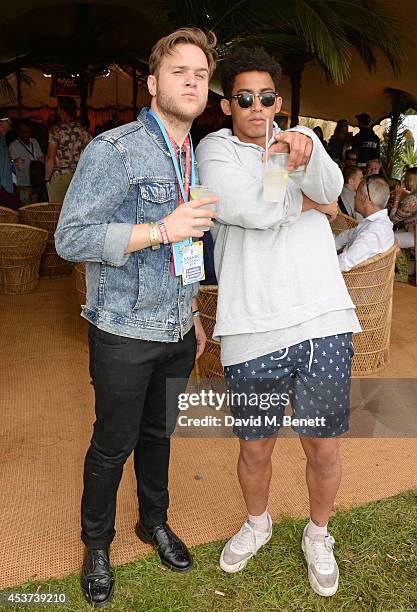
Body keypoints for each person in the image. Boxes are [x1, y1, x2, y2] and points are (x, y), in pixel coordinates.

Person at [55, 27, 218, 608]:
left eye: (200, 73)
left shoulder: (189, 153)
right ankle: (96, 544)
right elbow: (69, 238)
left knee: (159, 435)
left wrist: (193, 314)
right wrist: (159, 230)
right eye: (179, 71)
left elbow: (188, 250)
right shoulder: (114, 149)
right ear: (152, 84)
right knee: (112, 443)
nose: (192, 81)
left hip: (175, 327)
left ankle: (154, 522)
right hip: (123, 329)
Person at [196, 47, 361, 598]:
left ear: (278, 100)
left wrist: (306, 155)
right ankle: (257, 522)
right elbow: (254, 209)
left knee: (323, 446)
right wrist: (300, 197)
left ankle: (319, 533)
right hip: (251, 327)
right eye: (245, 99)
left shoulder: (302, 142)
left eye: (267, 98)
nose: (257, 107)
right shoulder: (213, 150)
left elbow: (333, 191)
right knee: (255, 446)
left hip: (322, 318)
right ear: (227, 104)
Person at [336, 176, 393, 271]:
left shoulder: (374, 232)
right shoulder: (376, 222)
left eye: (356, 193)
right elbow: (348, 235)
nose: (354, 196)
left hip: (351, 280)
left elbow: (344, 263)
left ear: (365, 199)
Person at [45, 96, 91, 202]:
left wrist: (47, 179)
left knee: (57, 213)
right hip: (78, 177)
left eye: (58, 108)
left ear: (62, 110)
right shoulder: (82, 131)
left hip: (60, 176)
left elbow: (50, 158)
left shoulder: (56, 131)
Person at [9, 120, 44, 189]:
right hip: (23, 182)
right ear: (19, 132)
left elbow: (40, 156)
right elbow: (12, 164)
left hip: (37, 180)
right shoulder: (13, 146)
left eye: (28, 132)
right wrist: (15, 162)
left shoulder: (34, 141)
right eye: (23, 132)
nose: (26, 134)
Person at [390, 167, 417, 248]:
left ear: (411, 181)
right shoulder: (412, 196)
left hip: (414, 235)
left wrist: (397, 198)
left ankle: (402, 260)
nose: (404, 181)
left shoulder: (412, 200)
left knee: (388, 241)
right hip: (411, 230)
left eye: (405, 178)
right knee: (389, 236)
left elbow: (392, 220)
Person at [0, 112, 19, 209]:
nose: (10, 122)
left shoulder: (3, 139)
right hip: (3, 187)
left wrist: (12, 162)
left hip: (8, 184)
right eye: (7, 120)